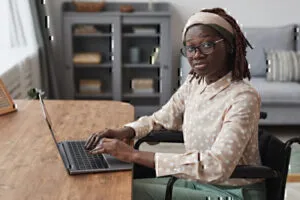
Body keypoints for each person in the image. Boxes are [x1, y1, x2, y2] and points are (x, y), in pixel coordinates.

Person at [84, 8, 266, 200]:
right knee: (118, 183)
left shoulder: (243, 96)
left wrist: (133, 155)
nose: (197, 54)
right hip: (198, 182)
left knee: (114, 193)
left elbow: (216, 166)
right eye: (190, 47)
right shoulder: (195, 83)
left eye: (206, 45)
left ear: (229, 46)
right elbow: (161, 118)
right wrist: (125, 131)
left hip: (232, 191)